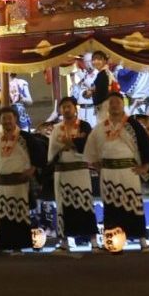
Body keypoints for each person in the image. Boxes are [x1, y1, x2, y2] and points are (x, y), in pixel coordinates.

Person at [83, 92, 149, 251]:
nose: (114, 105)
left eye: (117, 102)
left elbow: (147, 145)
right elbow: (90, 150)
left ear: (123, 105)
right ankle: (113, 242)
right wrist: (97, 165)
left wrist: (146, 166)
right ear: (107, 106)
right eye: (111, 103)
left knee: (134, 205)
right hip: (108, 173)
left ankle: (142, 239)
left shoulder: (133, 125)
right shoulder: (100, 128)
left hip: (129, 171)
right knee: (111, 207)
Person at [46, 96, 95, 251]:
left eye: (69, 106)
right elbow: (52, 149)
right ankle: (64, 241)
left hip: (80, 171)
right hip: (62, 171)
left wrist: (72, 143)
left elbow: (89, 144)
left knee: (85, 204)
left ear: (75, 108)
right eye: (63, 107)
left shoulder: (84, 125)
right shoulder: (56, 128)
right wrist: (65, 145)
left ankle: (93, 240)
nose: (66, 109)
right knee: (63, 207)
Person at [0, 107, 35, 254]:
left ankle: (18, 246)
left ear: (15, 118)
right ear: (0, 120)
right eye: (4, 118)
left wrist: (30, 172)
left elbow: (38, 158)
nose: (7, 121)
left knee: (18, 214)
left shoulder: (25, 137)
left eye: (9, 117)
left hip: (19, 182)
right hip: (1, 183)